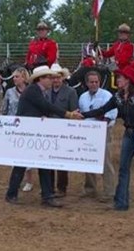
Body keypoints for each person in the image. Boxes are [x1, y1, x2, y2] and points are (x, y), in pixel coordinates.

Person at [5, 66, 83, 208]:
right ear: (41, 79)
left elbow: (42, 108)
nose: (52, 80)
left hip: (31, 131)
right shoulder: (35, 90)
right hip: (30, 132)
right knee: (31, 164)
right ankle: (41, 195)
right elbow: (46, 106)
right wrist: (68, 114)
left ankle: (38, 195)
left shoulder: (35, 90)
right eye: (49, 78)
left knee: (30, 163)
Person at [82, 65, 134, 211]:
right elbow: (102, 110)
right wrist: (83, 115)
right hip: (129, 134)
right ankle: (121, 202)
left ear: (128, 81)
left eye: (120, 78)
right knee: (124, 168)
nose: (117, 80)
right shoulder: (117, 97)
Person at [78, 70, 118, 202]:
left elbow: (112, 113)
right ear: (87, 83)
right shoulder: (83, 97)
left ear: (99, 82)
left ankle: (109, 191)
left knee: (105, 160)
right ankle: (90, 189)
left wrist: (101, 125)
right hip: (87, 132)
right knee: (88, 159)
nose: (94, 84)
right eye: (91, 82)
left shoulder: (107, 95)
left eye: (96, 82)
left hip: (103, 130)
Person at [0, 67, 33, 192]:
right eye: (13, 77)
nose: (14, 79)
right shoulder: (9, 92)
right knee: (14, 154)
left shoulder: (31, 91)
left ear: (24, 78)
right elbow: (4, 108)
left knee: (27, 154)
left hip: (27, 126)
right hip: (12, 126)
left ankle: (29, 180)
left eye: (17, 76)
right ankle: (16, 180)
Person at [48, 64, 78, 196]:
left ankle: (62, 188)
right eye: (53, 78)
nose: (56, 80)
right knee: (47, 160)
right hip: (48, 129)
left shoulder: (71, 92)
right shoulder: (46, 92)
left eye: (58, 78)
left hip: (64, 130)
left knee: (61, 161)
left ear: (63, 78)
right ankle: (49, 186)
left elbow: (74, 111)